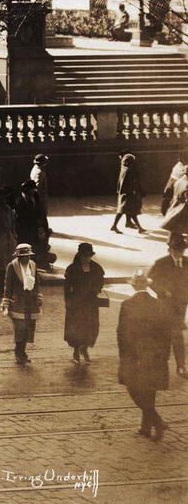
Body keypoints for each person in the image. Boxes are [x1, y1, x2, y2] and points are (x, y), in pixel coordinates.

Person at [119, 270, 173, 440]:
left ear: (133, 285)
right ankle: (146, 427)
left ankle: (156, 421)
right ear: (147, 286)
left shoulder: (127, 304)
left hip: (134, 355)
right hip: (154, 355)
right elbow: (166, 332)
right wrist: (165, 355)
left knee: (133, 388)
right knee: (149, 390)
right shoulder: (157, 304)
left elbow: (121, 333)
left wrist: (123, 355)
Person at [148, 232, 188, 378]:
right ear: (170, 249)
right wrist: (163, 291)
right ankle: (160, 365)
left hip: (180, 307)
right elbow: (150, 281)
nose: (179, 254)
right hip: (164, 306)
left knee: (177, 335)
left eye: (182, 251)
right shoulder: (161, 263)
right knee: (163, 335)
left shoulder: (187, 261)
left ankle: (181, 366)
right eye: (176, 250)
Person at [63, 242, 105, 363]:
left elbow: (101, 282)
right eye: (83, 256)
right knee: (77, 327)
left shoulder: (97, 268)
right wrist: (68, 301)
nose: (86, 258)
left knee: (92, 327)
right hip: (77, 304)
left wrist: (96, 290)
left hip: (91, 303)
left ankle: (84, 348)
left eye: (88, 256)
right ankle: (76, 351)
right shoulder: (72, 269)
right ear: (80, 255)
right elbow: (67, 287)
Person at [1, 243, 42, 364]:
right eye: (23, 256)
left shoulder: (33, 265)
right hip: (18, 302)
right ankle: (18, 352)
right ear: (18, 257)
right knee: (20, 328)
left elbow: (37, 283)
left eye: (28, 256)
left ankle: (22, 352)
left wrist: (39, 297)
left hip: (31, 301)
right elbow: (7, 285)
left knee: (28, 328)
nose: (26, 258)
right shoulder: (12, 266)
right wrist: (6, 301)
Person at [112, 152, 143, 233]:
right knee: (129, 211)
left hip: (124, 194)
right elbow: (129, 183)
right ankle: (139, 228)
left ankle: (124, 223)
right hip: (127, 194)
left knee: (124, 211)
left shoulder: (124, 169)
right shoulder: (128, 171)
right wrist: (133, 191)